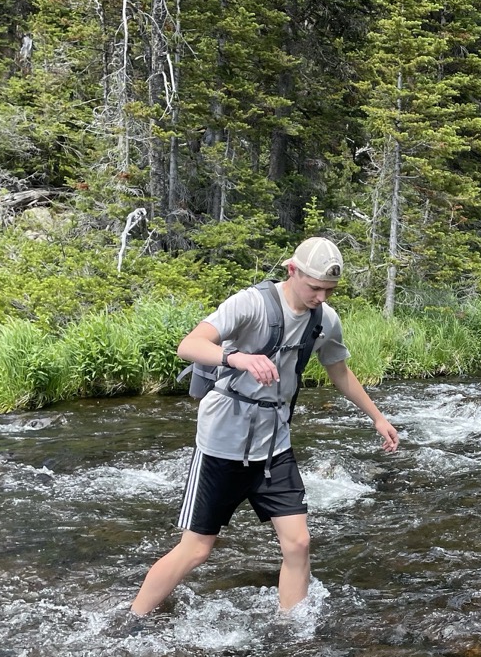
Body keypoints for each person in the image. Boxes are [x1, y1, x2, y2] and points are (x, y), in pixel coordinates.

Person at [128, 237, 399, 618]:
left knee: (298, 544)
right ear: (292, 271)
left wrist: (377, 416)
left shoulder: (325, 320)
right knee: (197, 549)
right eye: (314, 287)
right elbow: (189, 345)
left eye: (329, 290)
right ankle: (132, 619)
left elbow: (338, 369)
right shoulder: (250, 304)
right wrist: (236, 358)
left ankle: (292, 632)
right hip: (222, 442)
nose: (321, 297)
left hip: (274, 445)